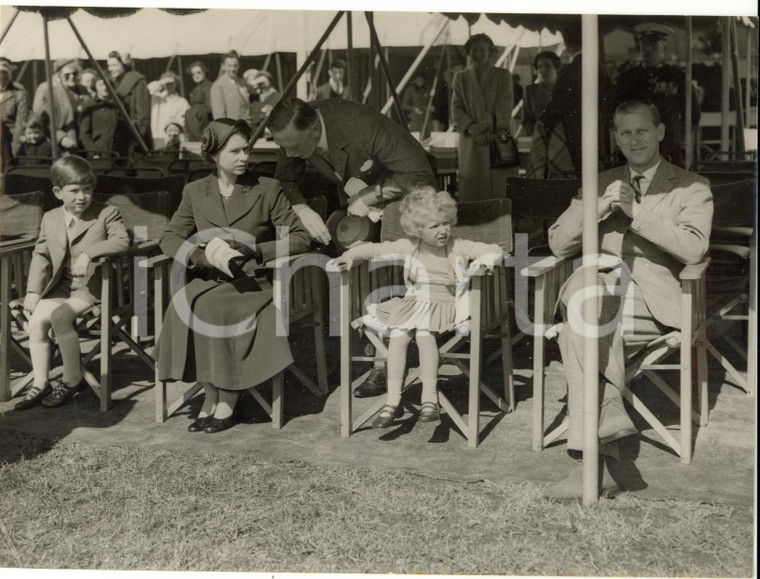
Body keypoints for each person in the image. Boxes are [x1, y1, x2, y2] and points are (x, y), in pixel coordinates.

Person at [542, 101, 713, 500]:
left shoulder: (692, 185)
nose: (633, 140)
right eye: (625, 133)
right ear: (615, 138)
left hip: (651, 303)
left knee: (575, 331)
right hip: (597, 296)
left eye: (641, 131)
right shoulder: (598, 182)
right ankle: (609, 424)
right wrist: (597, 210)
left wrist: (635, 212)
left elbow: (693, 249)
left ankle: (592, 459)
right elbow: (557, 241)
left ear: (660, 133)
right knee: (587, 292)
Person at [267, 97, 437, 399]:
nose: (289, 154)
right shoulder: (295, 131)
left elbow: (418, 176)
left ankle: (385, 363)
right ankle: (371, 354)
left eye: (293, 147)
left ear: (314, 130)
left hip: (406, 200)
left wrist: (370, 196)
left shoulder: (359, 124)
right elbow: (285, 177)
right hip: (363, 208)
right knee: (356, 269)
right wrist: (301, 207)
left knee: (387, 277)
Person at [152, 119, 311, 434]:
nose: (244, 157)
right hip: (211, 278)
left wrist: (256, 249)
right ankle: (212, 393)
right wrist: (197, 257)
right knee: (184, 303)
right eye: (235, 151)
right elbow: (169, 238)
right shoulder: (195, 191)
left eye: (246, 149)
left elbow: (300, 238)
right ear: (213, 156)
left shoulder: (267, 188)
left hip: (257, 282)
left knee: (215, 309)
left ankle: (227, 398)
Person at [329, 187, 502, 427]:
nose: (443, 230)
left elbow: (493, 250)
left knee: (424, 335)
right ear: (418, 230)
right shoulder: (409, 246)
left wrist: (482, 263)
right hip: (414, 303)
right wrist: (352, 256)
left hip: (445, 305)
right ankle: (392, 400)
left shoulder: (457, 246)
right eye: (434, 226)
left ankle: (429, 399)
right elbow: (374, 249)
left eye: (446, 223)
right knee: (399, 335)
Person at [15, 156, 129, 411]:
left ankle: (71, 380)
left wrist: (90, 254)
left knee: (60, 316)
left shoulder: (106, 213)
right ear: (58, 192)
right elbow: (41, 254)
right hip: (61, 287)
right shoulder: (51, 218)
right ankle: (41, 381)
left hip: (92, 287)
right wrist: (33, 290)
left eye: (87, 189)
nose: (81, 196)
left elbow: (122, 241)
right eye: (74, 190)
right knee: (36, 323)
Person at [614, 23, 701, 168]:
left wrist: (682, 134)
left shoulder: (678, 77)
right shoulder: (627, 78)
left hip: (669, 141)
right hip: (636, 141)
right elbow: (616, 110)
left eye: (654, 46)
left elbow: (693, 113)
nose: (648, 50)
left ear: (664, 49)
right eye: (644, 46)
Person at [532, 24, 612, 177]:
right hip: (598, 131)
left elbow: (557, 106)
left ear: (567, 45)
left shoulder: (568, 71)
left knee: (573, 178)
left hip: (573, 134)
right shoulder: (601, 69)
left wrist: (542, 121)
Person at [451, 33, 515, 202]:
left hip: (496, 139)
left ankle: (499, 226)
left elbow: (506, 109)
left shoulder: (503, 75)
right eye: (474, 50)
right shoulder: (461, 78)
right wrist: (474, 130)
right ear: (468, 53)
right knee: (473, 192)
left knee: (498, 193)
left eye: (482, 50)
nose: (478, 54)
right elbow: (456, 110)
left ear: (490, 52)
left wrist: (484, 127)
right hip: (472, 141)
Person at [33, 58, 91, 154]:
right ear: (59, 75)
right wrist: (61, 137)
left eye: (75, 73)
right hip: (63, 143)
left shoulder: (83, 90)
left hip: (83, 141)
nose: (72, 77)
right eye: (67, 75)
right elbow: (43, 119)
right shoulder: (49, 90)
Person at [106, 51, 151, 156]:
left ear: (124, 65)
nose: (110, 69)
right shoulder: (112, 82)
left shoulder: (138, 81)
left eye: (114, 65)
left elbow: (143, 114)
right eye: (109, 65)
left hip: (133, 136)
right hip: (116, 135)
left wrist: (137, 138)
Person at [521, 51, 561, 137]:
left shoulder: (564, 89)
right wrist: (537, 134)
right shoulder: (530, 91)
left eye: (547, 66)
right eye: (539, 67)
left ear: (556, 68)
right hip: (539, 139)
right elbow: (526, 120)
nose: (543, 70)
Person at [148, 71, 190, 149]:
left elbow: (185, 121)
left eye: (172, 83)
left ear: (176, 84)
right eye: (167, 83)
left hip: (176, 137)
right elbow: (149, 88)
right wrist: (163, 81)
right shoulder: (157, 98)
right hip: (159, 137)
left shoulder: (182, 101)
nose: (170, 86)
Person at [1, 57, 29, 168]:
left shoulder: (19, 94)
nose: (1, 74)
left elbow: (21, 124)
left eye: (4, 70)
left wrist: (13, 151)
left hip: (10, 143)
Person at [78, 77, 118, 154]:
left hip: (117, 151)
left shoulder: (117, 104)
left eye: (107, 84)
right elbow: (84, 135)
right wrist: (94, 153)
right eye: (101, 85)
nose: (105, 87)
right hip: (99, 150)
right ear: (95, 87)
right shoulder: (89, 105)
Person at [210, 51, 250, 123]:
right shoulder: (218, 86)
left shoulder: (242, 83)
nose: (233, 69)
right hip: (232, 129)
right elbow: (219, 116)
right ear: (223, 66)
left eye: (235, 65)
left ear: (239, 66)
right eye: (229, 66)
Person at [184, 61, 213, 141]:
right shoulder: (196, 88)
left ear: (204, 72)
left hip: (204, 122)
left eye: (198, 72)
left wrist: (197, 112)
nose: (196, 75)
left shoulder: (209, 86)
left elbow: (210, 107)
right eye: (193, 74)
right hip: (196, 121)